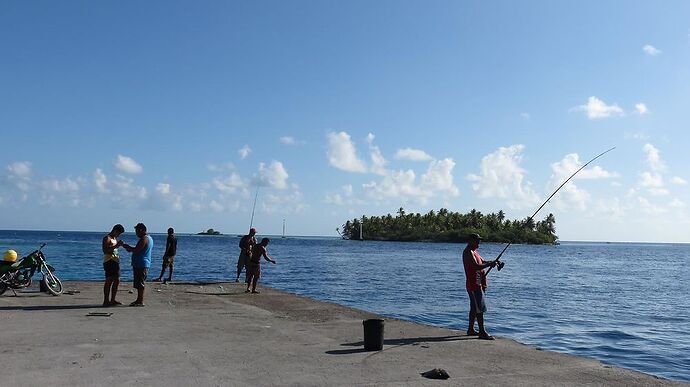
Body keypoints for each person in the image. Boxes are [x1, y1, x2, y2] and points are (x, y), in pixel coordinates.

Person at [462, 233, 497, 340]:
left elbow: (482, 262)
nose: (479, 242)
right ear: (470, 241)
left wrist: (492, 262)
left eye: (479, 240)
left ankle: (471, 329)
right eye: (477, 240)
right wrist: (489, 265)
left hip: (479, 283)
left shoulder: (475, 252)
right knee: (479, 309)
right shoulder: (468, 252)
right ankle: (482, 332)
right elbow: (476, 266)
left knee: (474, 308)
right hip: (473, 285)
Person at [122, 223, 153, 307]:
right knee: (139, 282)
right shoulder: (149, 238)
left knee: (140, 283)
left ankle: (140, 300)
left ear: (141, 230)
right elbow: (137, 249)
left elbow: (136, 250)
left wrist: (128, 247)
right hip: (141, 263)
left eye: (136, 232)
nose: (136, 234)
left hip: (141, 263)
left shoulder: (144, 239)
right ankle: (139, 299)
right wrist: (129, 248)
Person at [102, 224, 125, 307]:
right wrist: (116, 246)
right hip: (109, 261)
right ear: (115, 231)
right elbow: (105, 250)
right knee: (109, 280)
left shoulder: (114, 239)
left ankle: (113, 299)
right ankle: (106, 300)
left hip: (115, 261)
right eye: (118, 233)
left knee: (117, 280)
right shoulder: (107, 238)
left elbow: (114, 248)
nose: (119, 235)